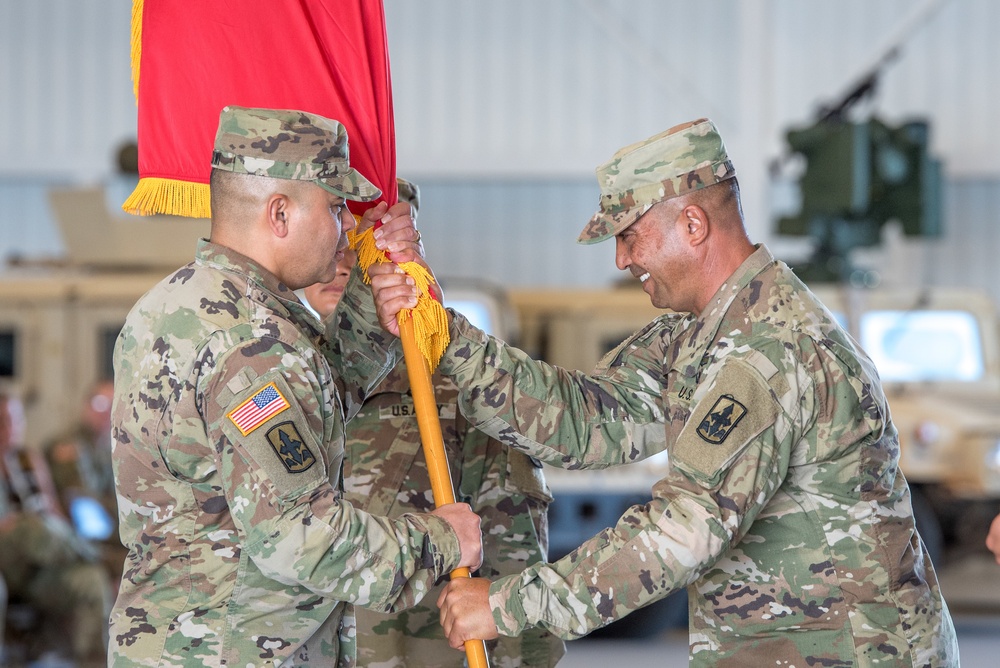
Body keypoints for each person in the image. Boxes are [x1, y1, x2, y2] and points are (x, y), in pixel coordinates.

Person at [368, 119, 959, 666]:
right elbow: (586, 420)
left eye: (630, 236)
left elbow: (682, 530)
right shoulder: (697, 333)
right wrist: (444, 334)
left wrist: (508, 605)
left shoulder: (768, 349)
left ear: (693, 224)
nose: (623, 259)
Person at [110, 106, 483, 667]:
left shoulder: (178, 303)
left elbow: (315, 406)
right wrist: (441, 539)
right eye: (335, 209)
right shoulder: (251, 343)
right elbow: (302, 539)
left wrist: (366, 306)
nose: (344, 231)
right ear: (279, 213)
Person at [302, 178, 565, 667]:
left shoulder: (462, 392)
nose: (342, 260)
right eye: (334, 232)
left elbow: (513, 563)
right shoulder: (269, 384)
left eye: (365, 241)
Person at [0, 388, 112, 666]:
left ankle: (95, 662)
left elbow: (54, 512)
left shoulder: (27, 459)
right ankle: (98, 554)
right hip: (8, 560)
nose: (10, 428)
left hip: (43, 564)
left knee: (91, 580)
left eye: (15, 419)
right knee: (32, 529)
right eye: (3, 421)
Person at [45, 379, 127, 584]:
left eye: (113, 404)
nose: (106, 412)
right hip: (80, 540)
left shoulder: (113, 447)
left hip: (110, 533)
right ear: (86, 406)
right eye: (100, 404)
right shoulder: (68, 447)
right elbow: (84, 512)